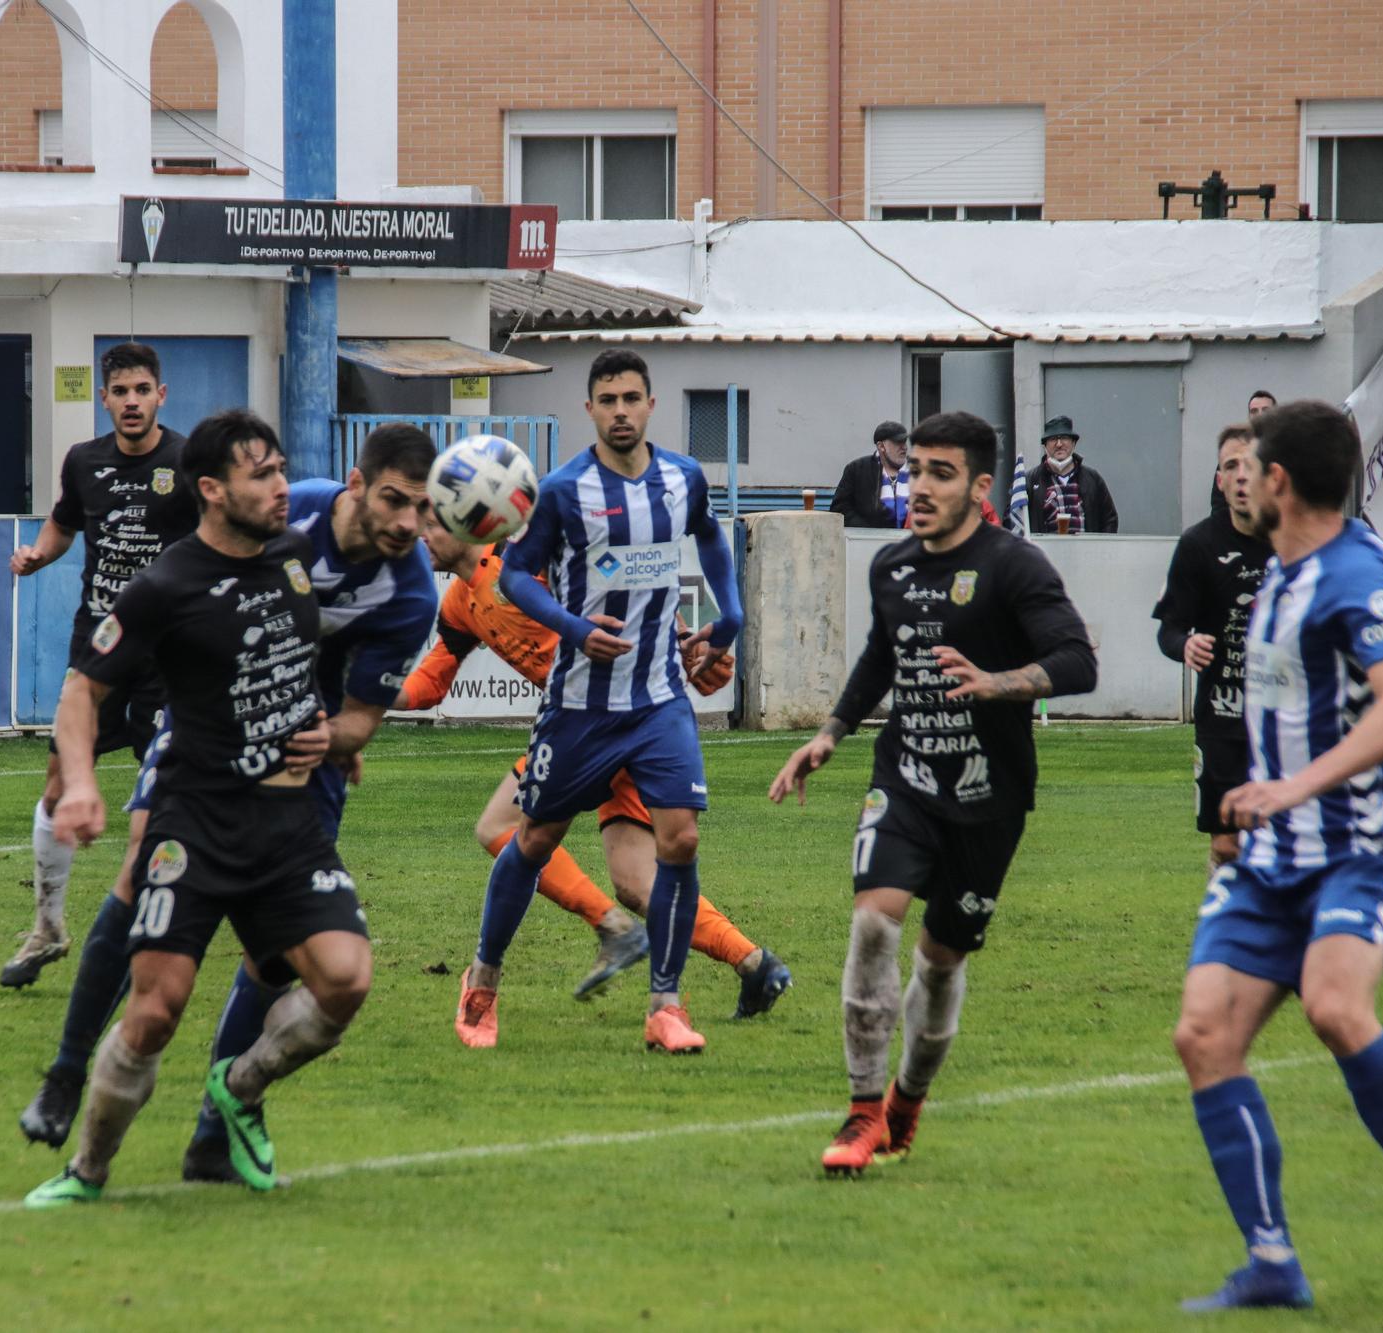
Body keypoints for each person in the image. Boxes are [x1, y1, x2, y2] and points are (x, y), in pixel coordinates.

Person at [17, 423, 437, 1186]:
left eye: (281, 471)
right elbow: (88, 683)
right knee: (141, 896)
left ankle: (227, 1106)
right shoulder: (239, 553)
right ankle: (70, 1082)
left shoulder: (329, 568)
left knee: (294, 969)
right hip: (198, 780)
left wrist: (334, 736)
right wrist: (82, 783)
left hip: (290, 800)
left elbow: (349, 698)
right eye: (262, 474)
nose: (281, 486)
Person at [1172, 401, 1383, 1314]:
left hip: (1357, 846)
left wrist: (1292, 787)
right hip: (1271, 856)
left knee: (1337, 1009)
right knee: (1203, 1036)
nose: (1236, 476)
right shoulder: (1281, 574)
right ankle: (1271, 1258)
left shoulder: (1356, 576)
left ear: (1279, 481)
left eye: (1248, 465)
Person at [767, 411, 1097, 1177]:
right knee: (874, 927)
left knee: (942, 958)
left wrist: (999, 683)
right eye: (914, 469)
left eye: (939, 473)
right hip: (905, 780)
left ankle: (907, 1100)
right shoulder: (892, 565)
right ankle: (859, 1108)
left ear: (981, 487)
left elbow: (1078, 661)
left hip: (991, 798)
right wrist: (832, 732)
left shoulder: (1016, 566)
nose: (918, 485)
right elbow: (885, 653)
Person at [456, 348, 743, 1054]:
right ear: (589, 409)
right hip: (581, 705)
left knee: (681, 839)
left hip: (658, 700)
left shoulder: (682, 478)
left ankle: (666, 1006)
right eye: (607, 399)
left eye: (632, 398)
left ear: (651, 405)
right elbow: (517, 579)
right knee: (536, 838)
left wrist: (728, 613)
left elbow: (710, 534)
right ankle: (482, 980)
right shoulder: (561, 489)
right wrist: (576, 630)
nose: (620, 410)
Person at [403, 512, 790, 1018]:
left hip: (597, 723)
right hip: (599, 730)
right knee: (637, 881)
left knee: (501, 826)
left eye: (430, 522)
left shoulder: (526, 562)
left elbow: (617, 577)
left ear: (470, 520)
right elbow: (430, 684)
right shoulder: (459, 605)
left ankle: (609, 930)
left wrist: (677, 634)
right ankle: (754, 963)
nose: (418, 532)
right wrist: (362, 690)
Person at [1, 342, 194, 989]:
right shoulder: (83, 462)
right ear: (105, 398)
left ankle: (162, 921)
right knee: (58, 782)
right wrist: (37, 556)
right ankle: (47, 926)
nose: (133, 401)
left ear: (160, 395)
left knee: (168, 794)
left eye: (144, 389)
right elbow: (63, 525)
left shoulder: (187, 461)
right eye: (121, 391)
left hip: (170, 651)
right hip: (100, 649)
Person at [1154, 424, 1273, 870]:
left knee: (1273, 840)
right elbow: (1168, 629)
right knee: (1226, 845)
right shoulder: (1198, 545)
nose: (1240, 475)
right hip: (1222, 716)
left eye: (1250, 465)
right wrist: (1184, 645)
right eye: (1230, 466)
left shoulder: (1294, 538)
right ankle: (1227, 933)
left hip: (1284, 720)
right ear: (1219, 480)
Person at [1024, 415, 1118, 534]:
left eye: (1064, 438)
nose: (1059, 444)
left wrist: (1100, 549)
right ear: (1045, 446)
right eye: (1053, 439)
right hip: (1045, 551)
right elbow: (1015, 520)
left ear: (1073, 443)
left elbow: (1109, 519)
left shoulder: (1092, 479)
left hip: (1086, 551)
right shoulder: (1030, 480)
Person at [830, 420, 913, 529]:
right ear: (881, 446)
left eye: (904, 441)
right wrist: (867, 530)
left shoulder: (919, 469)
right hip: (869, 542)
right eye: (898, 442)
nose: (904, 447)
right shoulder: (857, 469)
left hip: (913, 541)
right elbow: (839, 510)